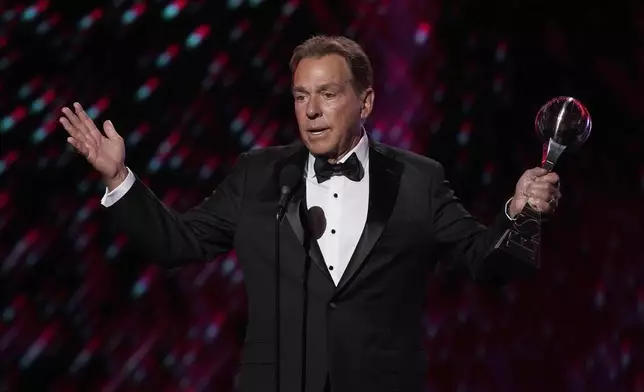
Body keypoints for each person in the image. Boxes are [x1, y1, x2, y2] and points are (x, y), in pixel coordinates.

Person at [59, 35, 561, 392]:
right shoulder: (257, 174)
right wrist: (119, 179)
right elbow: (176, 242)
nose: (311, 110)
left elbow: (483, 260)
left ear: (364, 102)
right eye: (301, 96)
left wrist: (517, 213)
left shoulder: (418, 179)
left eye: (327, 94)